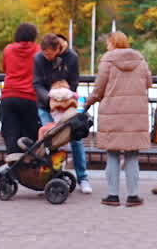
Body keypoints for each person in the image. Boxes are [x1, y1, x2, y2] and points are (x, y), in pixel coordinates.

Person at [85, 31, 151, 207]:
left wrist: (87, 103)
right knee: (132, 155)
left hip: (112, 113)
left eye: (108, 42)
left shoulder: (107, 61)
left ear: (113, 43)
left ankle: (113, 195)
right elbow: (149, 82)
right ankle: (133, 196)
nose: (107, 46)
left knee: (112, 154)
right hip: (136, 113)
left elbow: (99, 89)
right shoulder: (141, 60)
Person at [32, 33, 90, 193]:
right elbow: (36, 83)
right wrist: (49, 98)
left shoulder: (71, 57)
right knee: (50, 140)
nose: (47, 57)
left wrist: (63, 97)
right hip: (46, 106)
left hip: (67, 106)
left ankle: (83, 178)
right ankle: (52, 178)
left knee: (76, 140)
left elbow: (74, 82)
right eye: (44, 54)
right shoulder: (38, 59)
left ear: (58, 49)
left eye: (50, 54)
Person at [0, 23, 41, 159]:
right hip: (30, 97)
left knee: (11, 133)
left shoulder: (8, 49)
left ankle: (13, 167)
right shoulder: (38, 51)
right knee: (29, 135)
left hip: (9, 95)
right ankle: (28, 168)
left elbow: (4, 67)